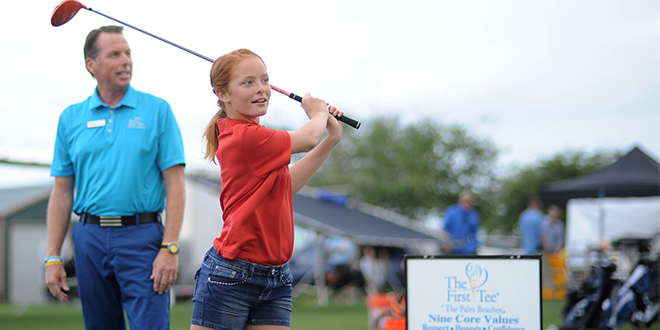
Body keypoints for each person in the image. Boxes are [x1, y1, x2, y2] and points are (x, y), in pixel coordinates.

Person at [44, 25, 186, 330]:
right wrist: (53, 256)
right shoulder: (71, 118)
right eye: (115, 54)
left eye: (128, 53)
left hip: (143, 236)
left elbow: (176, 184)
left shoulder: (158, 110)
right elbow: (62, 193)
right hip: (88, 237)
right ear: (91, 65)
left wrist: (170, 247)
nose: (126, 61)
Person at [191, 49, 344, 330]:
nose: (262, 89)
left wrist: (331, 138)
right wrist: (318, 112)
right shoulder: (245, 137)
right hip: (233, 274)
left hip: (275, 276)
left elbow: (286, 185)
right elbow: (309, 136)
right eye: (248, 82)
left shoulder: (255, 135)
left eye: (264, 80)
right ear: (222, 94)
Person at [441, 189, 480, 255]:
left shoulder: (474, 215)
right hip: (452, 249)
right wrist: (447, 243)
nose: (466, 204)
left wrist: (475, 247)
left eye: (469, 202)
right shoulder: (452, 212)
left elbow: (474, 234)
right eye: (465, 201)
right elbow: (445, 230)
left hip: (468, 251)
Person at [541, 204, 566, 298]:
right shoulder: (544, 223)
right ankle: (547, 289)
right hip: (545, 251)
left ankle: (557, 289)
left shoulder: (560, 225)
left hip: (556, 253)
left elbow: (561, 239)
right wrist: (546, 248)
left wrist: (557, 250)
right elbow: (543, 236)